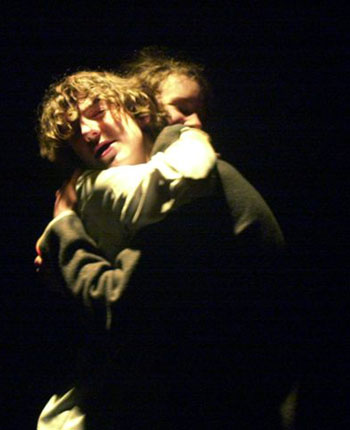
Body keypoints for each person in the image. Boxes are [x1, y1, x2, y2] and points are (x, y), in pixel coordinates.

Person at [35, 69, 292, 429]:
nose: (89, 132)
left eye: (98, 112)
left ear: (137, 110)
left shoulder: (189, 184)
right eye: (75, 134)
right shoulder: (119, 213)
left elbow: (118, 309)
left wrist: (63, 231)